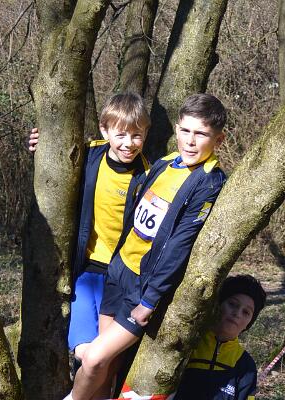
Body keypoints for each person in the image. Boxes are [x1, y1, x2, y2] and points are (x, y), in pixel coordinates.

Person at [67, 93, 228, 400]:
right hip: (117, 271)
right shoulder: (165, 164)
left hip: (142, 288)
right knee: (106, 368)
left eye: (201, 134)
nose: (190, 141)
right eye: (185, 130)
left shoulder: (208, 182)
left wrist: (150, 299)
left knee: (94, 359)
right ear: (176, 129)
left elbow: (179, 245)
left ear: (218, 140)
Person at [29, 92, 150, 390]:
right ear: (104, 130)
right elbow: (57, 162)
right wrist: (40, 147)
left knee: (107, 362)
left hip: (121, 279)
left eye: (137, 135)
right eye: (121, 134)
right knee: (85, 352)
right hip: (85, 273)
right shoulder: (88, 155)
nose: (129, 143)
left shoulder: (149, 176)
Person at [170, 274, 266, 400]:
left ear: (249, 324)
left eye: (246, 312)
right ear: (217, 305)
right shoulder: (187, 345)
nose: (237, 313)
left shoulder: (246, 366)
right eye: (232, 304)